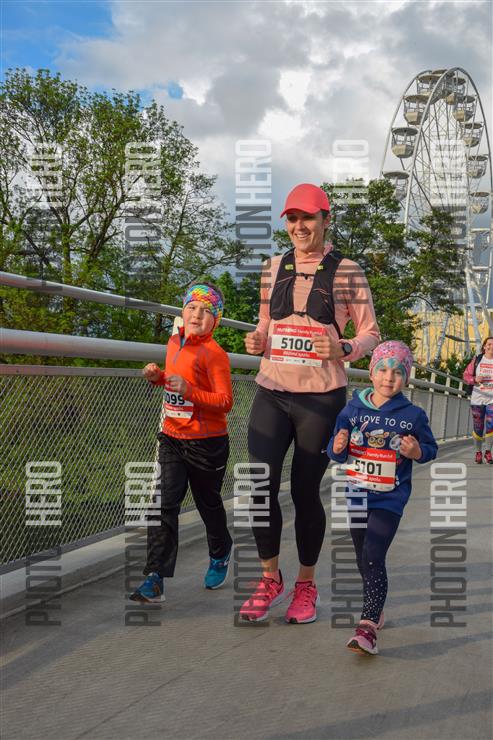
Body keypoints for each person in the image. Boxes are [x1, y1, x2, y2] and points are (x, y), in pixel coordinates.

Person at [240, 183, 380, 624]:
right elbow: (265, 322)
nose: (299, 226)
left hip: (320, 399)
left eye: (308, 218)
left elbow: (371, 333)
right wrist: (257, 338)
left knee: (304, 491)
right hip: (272, 391)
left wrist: (345, 348)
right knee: (259, 487)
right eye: (292, 218)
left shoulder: (348, 271)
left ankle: (306, 585)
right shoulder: (272, 267)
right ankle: (269, 579)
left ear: (325, 220)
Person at [327, 340, 438, 655]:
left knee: (374, 554)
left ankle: (368, 626)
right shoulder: (352, 409)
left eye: (398, 372)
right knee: (362, 556)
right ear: (371, 372)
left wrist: (416, 451)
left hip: (390, 498)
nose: (389, 377)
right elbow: (335, 450)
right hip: (357, 494)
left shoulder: (413, 415)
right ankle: (375, 606)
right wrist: (337, 446)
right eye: (383, 370)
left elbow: (430, 449)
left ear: (407, 377)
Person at [130, 283, 234, 603]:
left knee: (208, 504)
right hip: (172, 437)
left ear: (215, 320)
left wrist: (190, 391)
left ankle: (220, 551)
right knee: (162, 504)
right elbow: (173, 380)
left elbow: (225, 402)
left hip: (207, 444)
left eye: (205, 311)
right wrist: (157, 378)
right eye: (191, 307)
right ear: (183, 312)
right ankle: (155, 577)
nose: (196, 314)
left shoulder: (215, 354)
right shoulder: (174, 341)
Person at [463, 336, 493, 464]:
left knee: (491, 425)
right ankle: (478, 452)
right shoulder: (477, 360)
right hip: (477, 399)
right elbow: (466, 376)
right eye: (489, 344)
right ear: (484, 346)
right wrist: (475, 379)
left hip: (492, 399)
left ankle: (488, 452)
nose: (491, 346)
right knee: (478, 427)